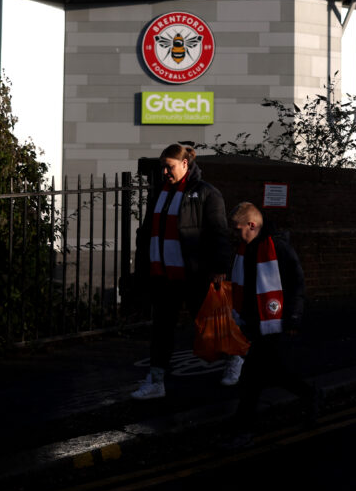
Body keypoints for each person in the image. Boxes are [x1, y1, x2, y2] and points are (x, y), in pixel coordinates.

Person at [131, 144, 233, 400]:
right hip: (163, 275)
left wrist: (220, 267)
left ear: (185, 164)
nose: (165, 172)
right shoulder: (160, 193)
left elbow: (219, 232)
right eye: (163, 167)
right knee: (161, 330)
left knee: (209, 326)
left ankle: (235, 358)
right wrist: (142, 267)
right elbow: (148, 232)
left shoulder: (207, 193)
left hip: (193, 274)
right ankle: (156, 380)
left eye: (170, 167)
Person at [227, 202, 313, 428]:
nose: (235, 234)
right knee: (275, 371)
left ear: (251, 225)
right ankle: (311, 395)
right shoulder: (244, 249)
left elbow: (296, 283)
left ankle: (242, 429)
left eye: (237, 229)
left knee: (251, 377)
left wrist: (293, 318)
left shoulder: (278, 247)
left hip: (273, 321)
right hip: (253, 321)